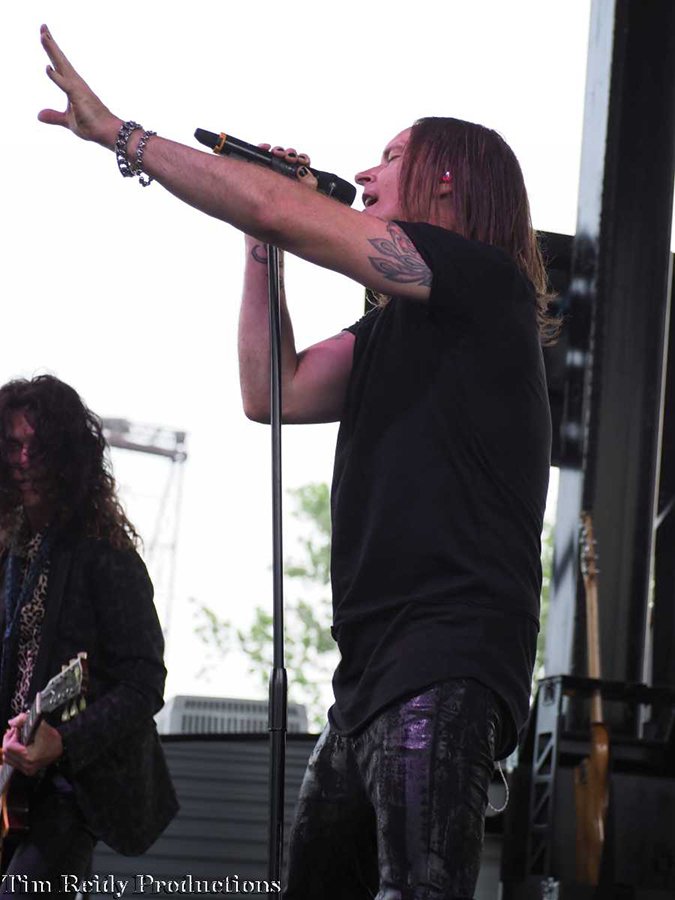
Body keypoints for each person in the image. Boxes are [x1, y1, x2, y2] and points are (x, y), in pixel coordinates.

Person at [38, 24, 554, 899]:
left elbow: (283, 209)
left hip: (447, 657)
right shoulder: (392, 327)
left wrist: (122, 135)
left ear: (446, 178)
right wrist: (259, 247)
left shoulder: (483, 284)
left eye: (390, 156)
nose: (365, 172)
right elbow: (270, 389)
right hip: (367, 674)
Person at [0, 375, 177, 890]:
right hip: (13, 785)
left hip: (71, 789)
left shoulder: (106, 554)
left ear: (68, 457)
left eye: (38, 447)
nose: (24, 460)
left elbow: (144, 682)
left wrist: (64, 741)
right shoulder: (10, 553)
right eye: (12, 445)